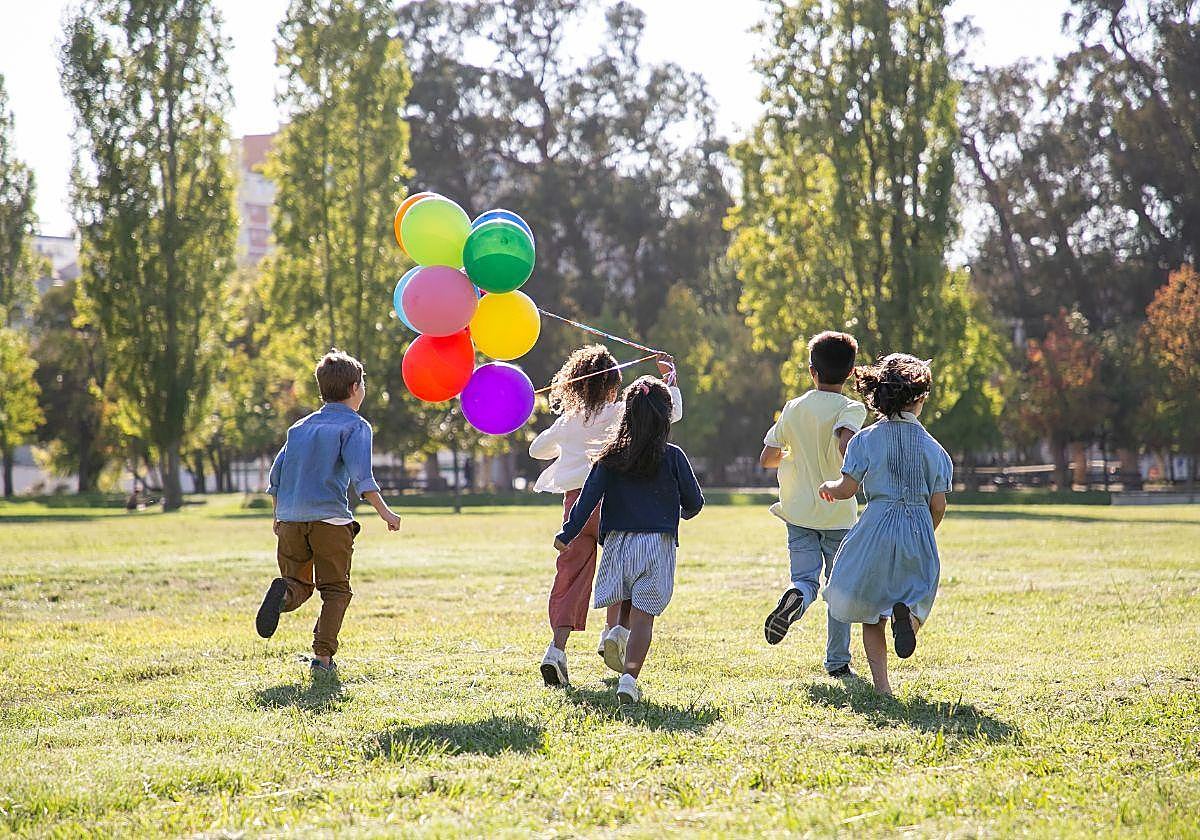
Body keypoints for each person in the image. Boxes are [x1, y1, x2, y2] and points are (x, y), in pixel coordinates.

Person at [530, 346, 682, 687]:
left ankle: (556, 650)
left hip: (575, 508)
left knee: (570, 578)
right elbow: (671, 413)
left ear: (575, 387)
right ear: (613, 386)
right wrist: (669, 378)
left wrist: (566, 435)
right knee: (627, 572)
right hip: (614, 505)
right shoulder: (620, 412)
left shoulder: (568, 421)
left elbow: (535, 450)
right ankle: (614, 633)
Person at [555, 376, 703, 704]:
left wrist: (567, 533)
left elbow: (587, 500)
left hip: (618, 545)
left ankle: (615, 633)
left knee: (623, 600)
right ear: (665, 418)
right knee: (644, 619)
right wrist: (681, 511)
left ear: (626, 415)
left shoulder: (610, 457)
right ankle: (628, 678)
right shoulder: (674, 456)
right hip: (656, 545)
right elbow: (695, 502)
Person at [255, 349, 402, 675]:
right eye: (362, 383)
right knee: (335, 590)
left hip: (291, 520)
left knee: (299, 584)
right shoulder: (355, 426)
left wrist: (278, 517)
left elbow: (275, 476)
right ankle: (322, 658)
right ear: (354, 389)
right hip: (329, 521)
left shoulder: (300, 428)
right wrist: (387, 514)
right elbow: (363, 479)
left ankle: (284, 596)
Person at [818, 353, 952, 695]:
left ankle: (883, 688)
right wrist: (925, 530)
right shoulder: (935, 450)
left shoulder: (864, 440)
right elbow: (938, 504)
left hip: (876, 526)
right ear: (919, 398)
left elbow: (847, 489)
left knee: (870, 610)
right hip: (918, 527)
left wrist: (829, 487)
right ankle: (908, 620)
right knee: (918, 594)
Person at [759, 331, 867, 678]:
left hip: (798, 512)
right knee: (839, 588)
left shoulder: (793, 407)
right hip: (837, 512)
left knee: (805, 579)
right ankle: (837, 662)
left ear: (811, 371)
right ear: (851, 373)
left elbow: (767, 458)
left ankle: (795, 597)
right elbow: (845, 443)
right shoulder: (852, 407)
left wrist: (796, 454)